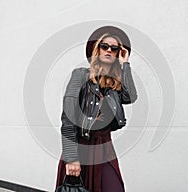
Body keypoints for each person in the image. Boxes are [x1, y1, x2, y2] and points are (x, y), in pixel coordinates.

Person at [55, 25, 138, 192]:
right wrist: (71, 158)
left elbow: (130, 97)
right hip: (81, 146)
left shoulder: (115, 83)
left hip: (104, 147)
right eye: (104, 46)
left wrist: (125, 64)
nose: (109, 50)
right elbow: (68, 118)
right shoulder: (80, 75)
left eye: (114, 49)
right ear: (96, 49)